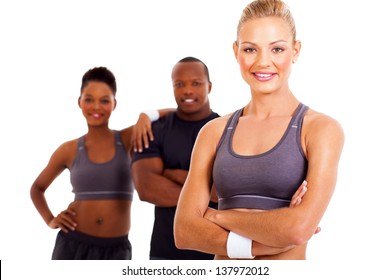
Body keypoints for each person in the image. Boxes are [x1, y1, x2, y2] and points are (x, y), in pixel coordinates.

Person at [174, 0, 344, 260]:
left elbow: (297, 229)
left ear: (295, 51)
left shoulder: (320, 130)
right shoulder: (214, 132)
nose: (264, 62)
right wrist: (261, 244)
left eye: (277, 49)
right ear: (236, 52)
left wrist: (216, 215)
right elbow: (185, 231)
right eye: (251, 49)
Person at [30, 66, 164, 259]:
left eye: (104, 100)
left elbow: (172, 115)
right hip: (72, 245)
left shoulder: (127, 139)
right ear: (79, 102)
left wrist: (147, 115)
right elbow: (37, 188)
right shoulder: (68, 150)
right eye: (89, 99)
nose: (96, 107)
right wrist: (50, 220)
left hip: (116, 249)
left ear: (114, 104)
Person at [131, 57, 220, 260]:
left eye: (196, 83)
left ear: (210, 86)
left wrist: (176, 174)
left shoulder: (225, 129)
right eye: (179, 84)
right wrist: (203, 189)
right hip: (165, 254)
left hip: (215, 254)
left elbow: (225, 192)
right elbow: (147, 189)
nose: (187, 90)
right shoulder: (153, 130)